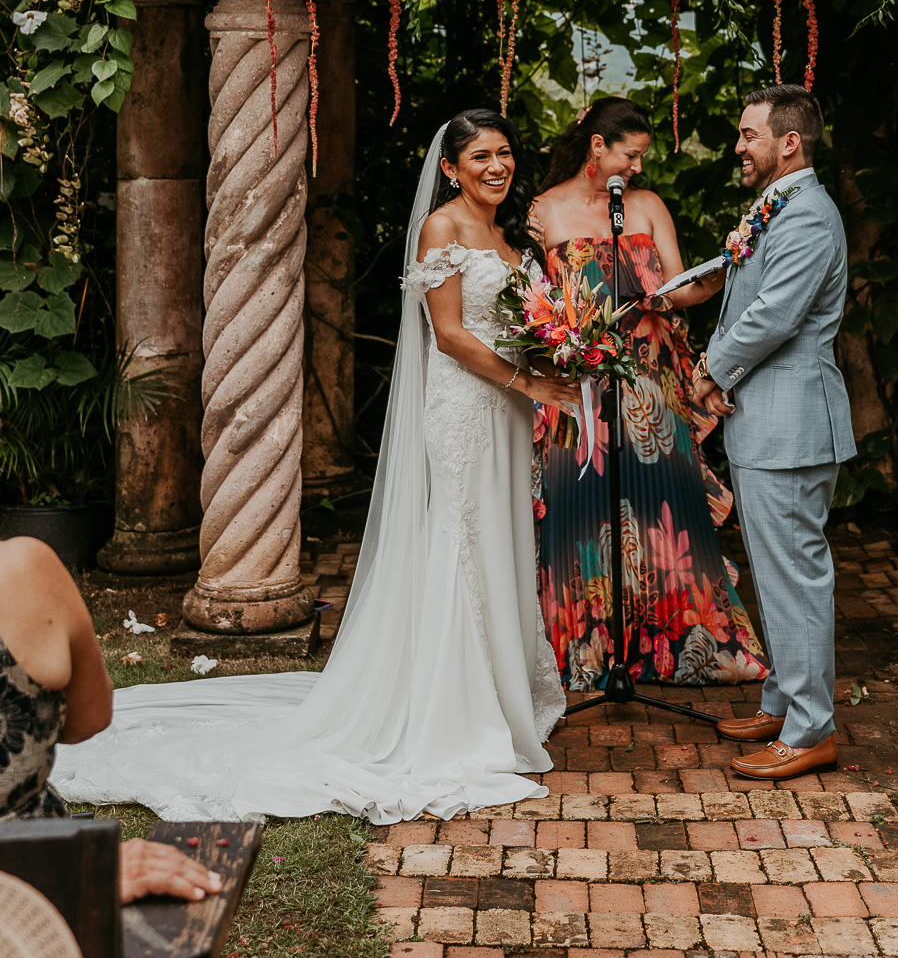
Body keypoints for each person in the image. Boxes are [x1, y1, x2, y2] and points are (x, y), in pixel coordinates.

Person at [52, 110, 578, 822]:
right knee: (461, 540)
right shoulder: (442, 228)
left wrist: (554, 357)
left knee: (503, 540)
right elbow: (450, 336)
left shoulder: (515, 235)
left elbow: (522, 322)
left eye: (506, 153)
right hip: (467, 409)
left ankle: (504, 690)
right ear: (450, 168)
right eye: (481, 155)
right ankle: (457, 710)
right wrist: (531, 384)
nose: (497, 166)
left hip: (511, 410)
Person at [531, 97, 767, 689]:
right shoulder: (541, 212)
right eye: (630, 155)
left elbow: (680, 285)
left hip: (652, 384)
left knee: (666, 511)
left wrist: (710, 278)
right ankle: (588, 653)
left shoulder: (647, 205)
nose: (637, 167)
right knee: (581, 513)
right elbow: (534, 304)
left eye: (640, 157)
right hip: (580, 389)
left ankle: (679, 645)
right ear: (597, 147)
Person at [692, 83, 855, 781]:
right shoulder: (779, 205)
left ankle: (812, 730)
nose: (738, 146)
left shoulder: (809, 218)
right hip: (768, 421)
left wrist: (710, 371)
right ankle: (784, 701)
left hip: (792, 424)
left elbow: (774, 316)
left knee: (796, 577)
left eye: (749, 135)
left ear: (789, 142)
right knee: (779, 573)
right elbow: (737, 285)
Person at [0, 537, 221, 904]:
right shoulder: (23, 567)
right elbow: (87, 717)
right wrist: (72, 874)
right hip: (42, 889)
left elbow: (91, 717)